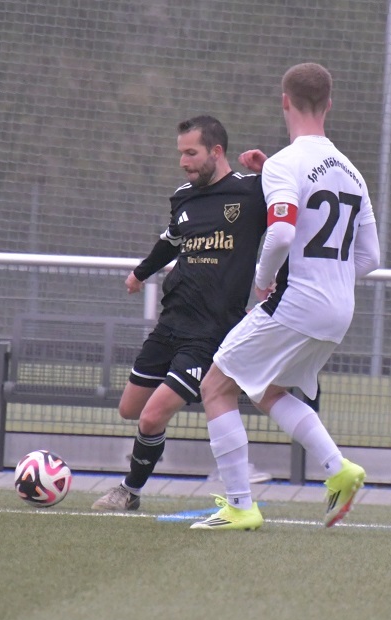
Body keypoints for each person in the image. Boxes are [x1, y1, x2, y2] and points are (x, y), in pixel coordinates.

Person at [190, 63, 381, 531]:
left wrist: (262, 282)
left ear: (284, 101)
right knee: (267, 390)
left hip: (297, 304)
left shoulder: (285, 163)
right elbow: (370, 257)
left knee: (215, 386)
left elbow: (280, 234)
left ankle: (240, 506)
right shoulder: (352, 173)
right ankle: (338, 469)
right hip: (338, 311)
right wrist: (330, 279)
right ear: (329, 105)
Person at [92, 115, 268, 511]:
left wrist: (268, 167)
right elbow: (170, 240)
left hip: (210, 332)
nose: (183, 162)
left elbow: (295, 209)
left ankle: (129, 492)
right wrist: (141, 273)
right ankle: (162, 427)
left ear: (216, 152)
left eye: (191, 153)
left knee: (151, 417)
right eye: (181, 153)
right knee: (130, 410)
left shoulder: (252, 192)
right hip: (171, 322)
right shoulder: (184, 196)